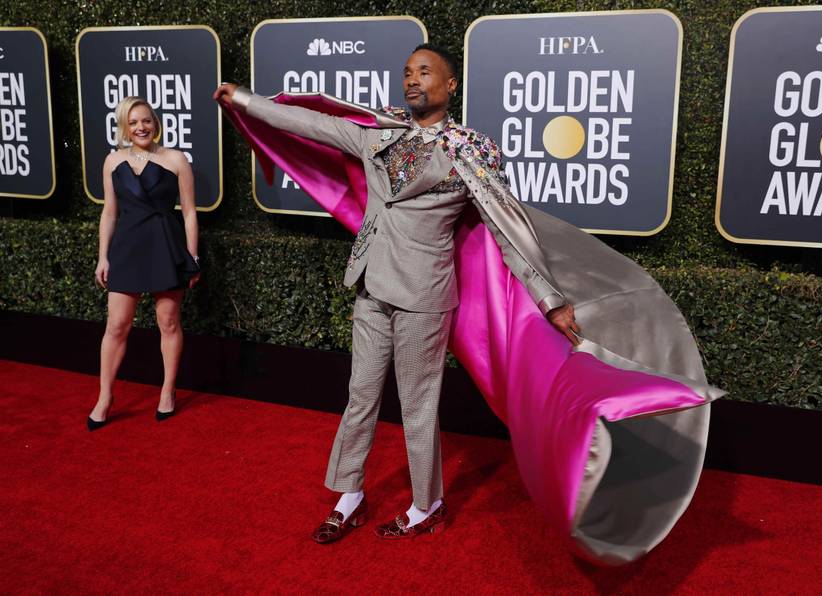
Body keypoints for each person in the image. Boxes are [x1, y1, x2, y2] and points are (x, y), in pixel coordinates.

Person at [215, 44, 579, 541]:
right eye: (408, 72)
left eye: (425, 72)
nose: (412, 80)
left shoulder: (471, 150)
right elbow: (310, 123)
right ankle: (349, 496)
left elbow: (507, 227)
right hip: (371, 285)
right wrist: (245, 100)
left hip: (424, 296)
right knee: (360, 396)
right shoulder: (380, 132)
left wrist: (550, 300)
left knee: (417, 405)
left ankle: (427, 505)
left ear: (450, 85)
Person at [87, 97, 200, 431]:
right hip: (127, 248)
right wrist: (103, 255)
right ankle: (105, 397)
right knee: (116, 326)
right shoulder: (112, 161)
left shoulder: (176, 159)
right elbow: (109, 212)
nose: (141, 127)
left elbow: (189, 213)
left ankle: (167, 391)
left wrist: (193, 257)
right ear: (125, 126)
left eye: (146, 120)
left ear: (155, 123)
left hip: (165, 246)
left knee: (168, 322)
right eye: (134, 122)